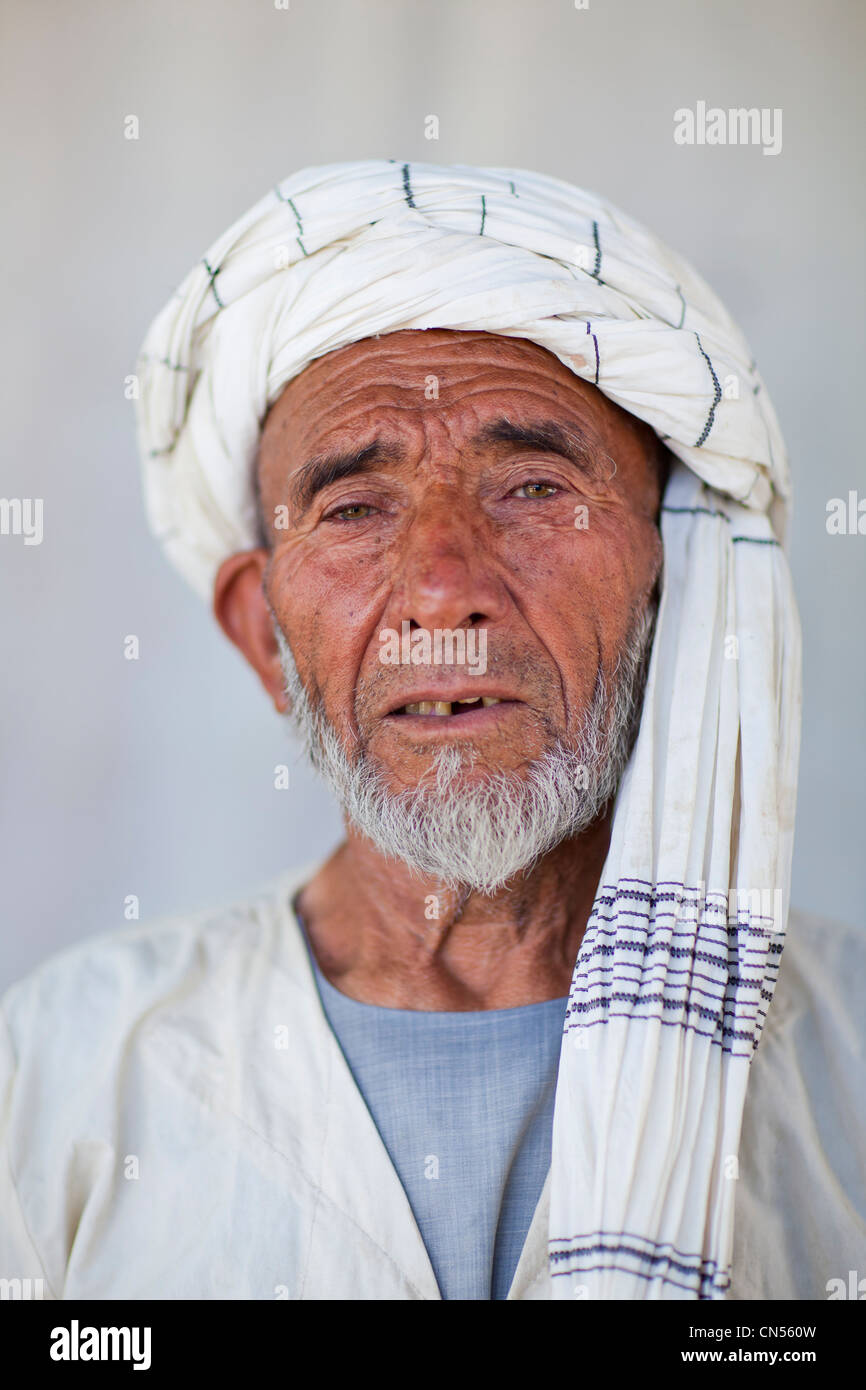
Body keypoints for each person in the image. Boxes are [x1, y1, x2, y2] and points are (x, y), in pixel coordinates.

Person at [1, 162, 863, 1301]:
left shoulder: (844, 1059)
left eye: (532, 488)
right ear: (263, 633)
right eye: (355, 508)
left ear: (677, 582)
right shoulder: (59, 1066)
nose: (443, 587)